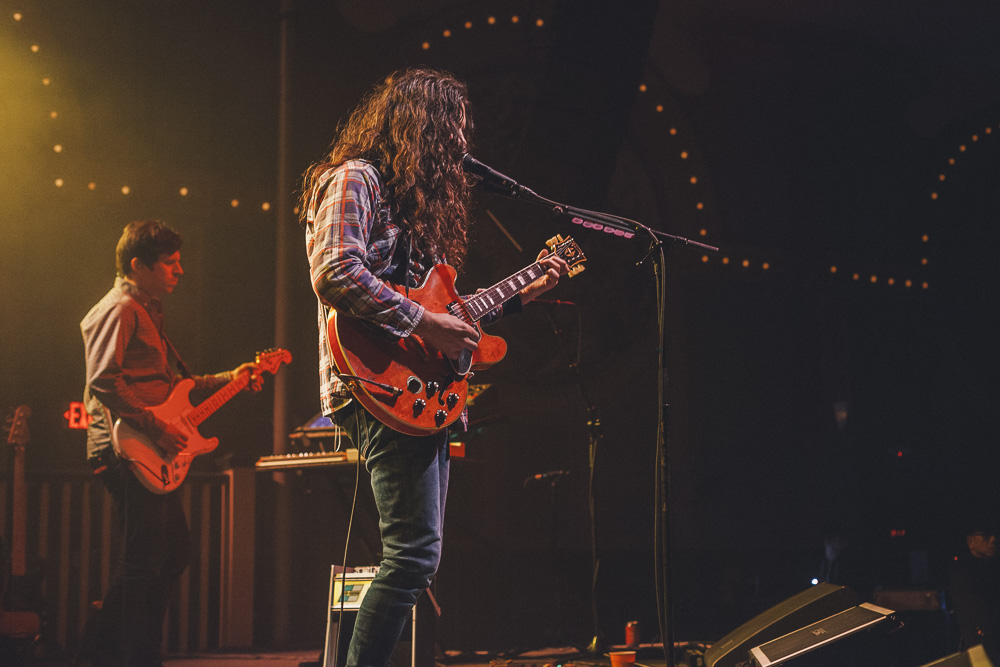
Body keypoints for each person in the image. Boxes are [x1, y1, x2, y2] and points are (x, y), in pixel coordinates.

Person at [299, 68, 569, 667]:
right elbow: (335, 272)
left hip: (415, 390)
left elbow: (448, 313)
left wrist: (521, 295)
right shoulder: (357, 178)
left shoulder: (413, 209)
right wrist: (425, 325)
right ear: (420, 127)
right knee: (412, 557)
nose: (461, 147)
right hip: (374, 381)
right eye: (453, 131)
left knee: (417, 558)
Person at [77, 220, 261, 667]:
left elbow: (170, 388)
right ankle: (104, 656)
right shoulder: (120, 308)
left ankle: (134, 653)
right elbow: (103, 381)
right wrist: (156, 429)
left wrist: (230, 378)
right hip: (124, 448)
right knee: (144, 559)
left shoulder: (145, 309)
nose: (179, 270)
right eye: (169, 263)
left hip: (146, 446)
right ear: (137, 265)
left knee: (171, 553)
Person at [949, 519, 1000, 660]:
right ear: (970, 541)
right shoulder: (962, 572)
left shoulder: (991, 566)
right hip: (981, 644)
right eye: (985, 535)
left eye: (994, 534)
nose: (993, 539)